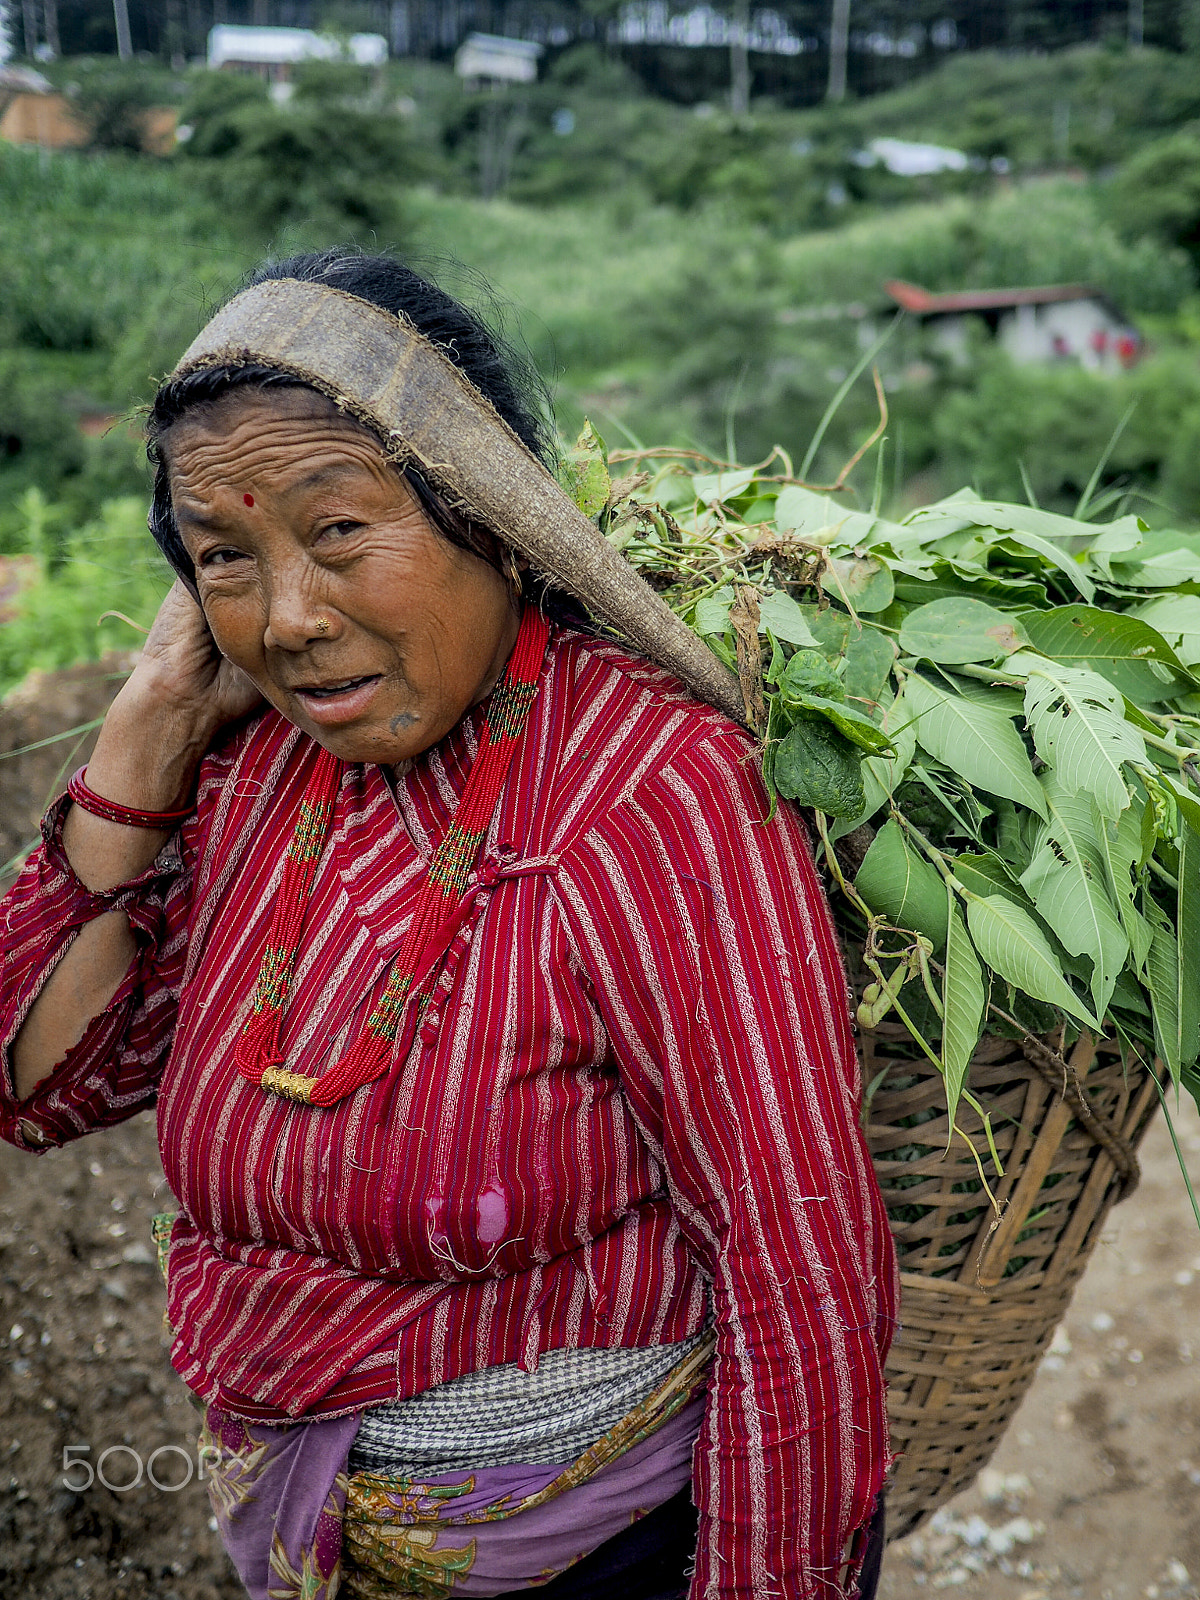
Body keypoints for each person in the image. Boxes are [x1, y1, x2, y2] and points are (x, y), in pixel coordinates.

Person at [0, 249, 897, 1600]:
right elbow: (40, 1082)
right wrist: (149, 729)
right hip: (316, 1549)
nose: (291, 618)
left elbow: (798, 1264)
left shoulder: (651, 792)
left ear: (490, 515)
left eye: (342, 530)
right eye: (226, 556)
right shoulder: (262, 774)